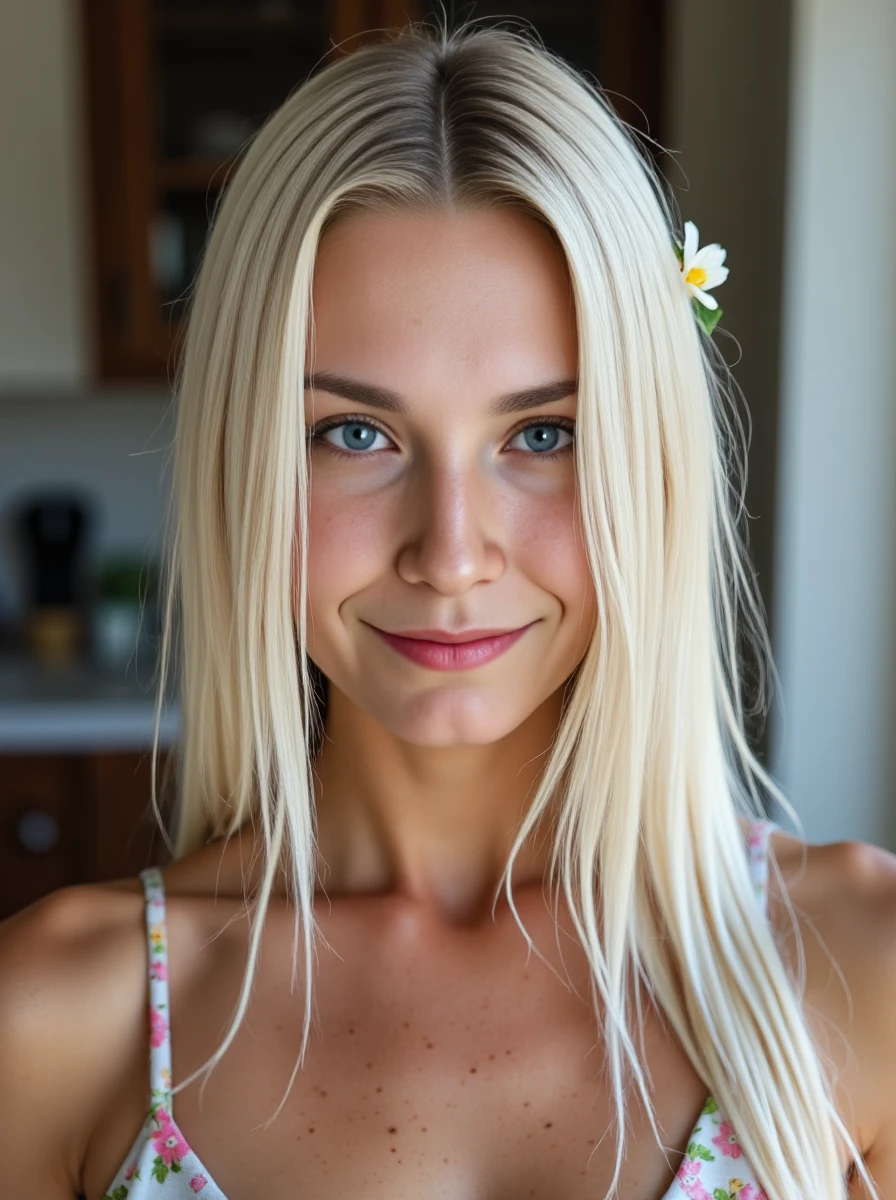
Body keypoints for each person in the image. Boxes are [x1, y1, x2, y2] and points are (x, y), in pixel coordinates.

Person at [1, 17, 894, 1200]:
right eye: (354, 434)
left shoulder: (859, 971)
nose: (452, 552)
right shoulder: (62, 1021)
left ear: (653, 465)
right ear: (242, 465)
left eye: (543, 434)